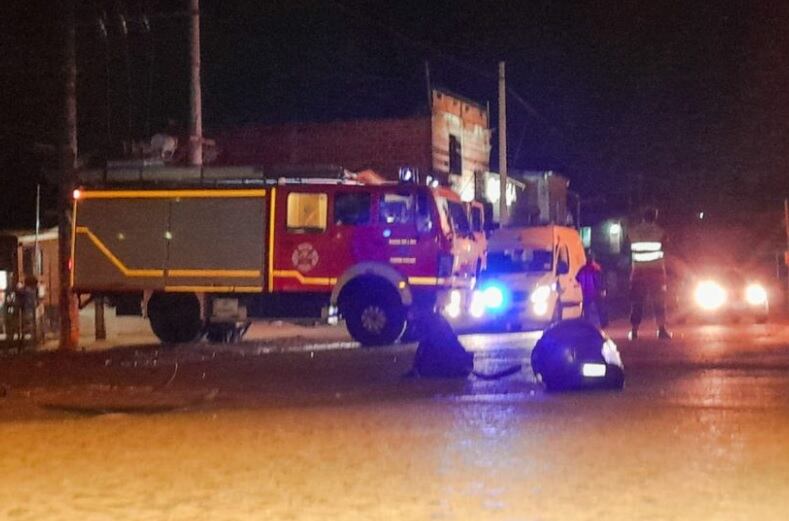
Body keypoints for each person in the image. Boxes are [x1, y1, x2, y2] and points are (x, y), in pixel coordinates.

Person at [627, 207, 671, 340]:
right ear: (655, 217)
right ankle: (661, 330)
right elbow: (667, 249)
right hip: (656, 273)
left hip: (638, 273)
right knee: (659, 302)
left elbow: (626, 249)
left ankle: (634, 331)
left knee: (637, 302)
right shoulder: (661, 233)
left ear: (643, 217)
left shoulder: (632, 232)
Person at [576, 251, 609, 328]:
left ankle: (588, 323)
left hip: (587, 292)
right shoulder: (595, 268)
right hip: (595, 291)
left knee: (587, 308)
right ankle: (602, 323)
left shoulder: (583, 269)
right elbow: (600, 279)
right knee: (599, 308)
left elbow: (577, 278)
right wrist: (602, 289)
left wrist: (582, 284)